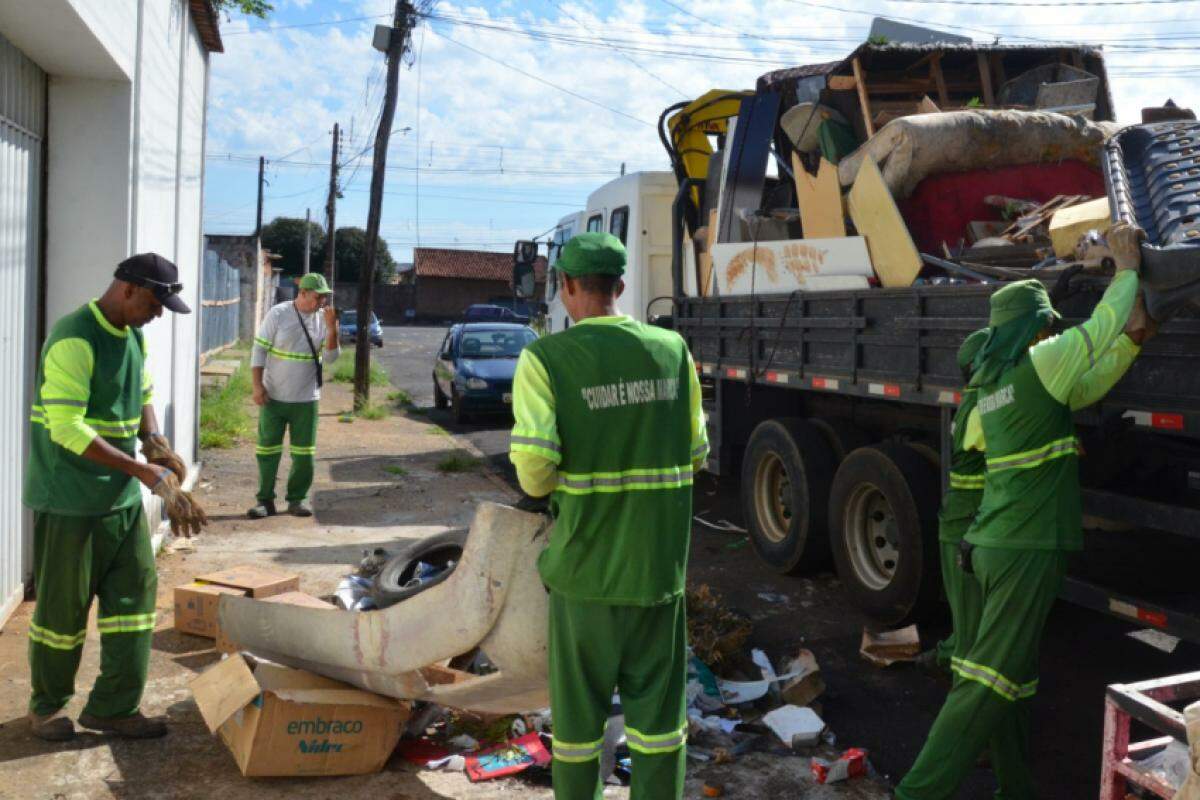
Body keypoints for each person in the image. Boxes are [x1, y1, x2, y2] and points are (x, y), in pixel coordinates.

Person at [896, 222, 1155, 799]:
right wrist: (1127, 267)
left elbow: (1086, 383)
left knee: (1008, 678)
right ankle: (916, 793)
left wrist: (1135, 340)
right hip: (1024, 547)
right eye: (1044, 324)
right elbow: (1097, 330)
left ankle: (1014, 787)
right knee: (987, 682)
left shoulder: (991, 393)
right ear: (1032, 326)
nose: (1049, 331)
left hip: (996, 545)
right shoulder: (1041, 364)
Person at [508, 232, 709, 800]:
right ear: (621, 286)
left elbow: (534, 472)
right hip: (657, 576)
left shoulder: (545, 359)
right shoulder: (673, 352)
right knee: (660, 732)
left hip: (585, 578)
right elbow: (696, 455)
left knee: (576, 733)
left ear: (567, 286)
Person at [24, 253, 201, 741]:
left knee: (135, 599)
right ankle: (46, 708)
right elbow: (66, 427)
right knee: (62, 611)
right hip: (70, 501)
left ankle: (114, 707)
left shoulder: (132, 334)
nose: (159, 314)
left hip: (118, 501)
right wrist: (144, 472)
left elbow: (142, 390)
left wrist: (156, 441)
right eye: (154, 302)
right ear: (127, 289)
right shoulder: (75, 337)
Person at [247, 273, 339, 519]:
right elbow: (259, 351)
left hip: (306, 400)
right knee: (267, 452)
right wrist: (257, 386)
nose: (321, 301)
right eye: (318, 296)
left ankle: (297, 500)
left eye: (324, 297)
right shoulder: (278, 314)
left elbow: (331, 358)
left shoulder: (323, 320)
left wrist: (332, 330)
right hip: (273, 398)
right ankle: (264, 501)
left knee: (304, 455)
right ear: (303, 293)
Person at [925, 328, 990, 675]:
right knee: (970, 612)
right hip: (967, 520)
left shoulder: (976, 397)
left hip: (959, 518)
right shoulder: (984, 407)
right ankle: (962, 682)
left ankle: (951, 652)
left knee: (963, 606)